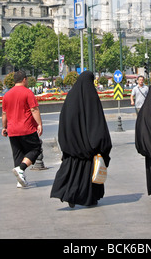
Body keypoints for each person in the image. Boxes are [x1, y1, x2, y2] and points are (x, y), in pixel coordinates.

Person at [50, 71, 112, 208]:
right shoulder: (91, 97)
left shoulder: (71, 96)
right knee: (87, 173)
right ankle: (87, 198)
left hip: (72, 146)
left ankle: (71, 195)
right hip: (88, 147)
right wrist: (100, 144)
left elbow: (64, 121)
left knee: (72, 171)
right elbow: (97, 122)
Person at [2, 70, 43, 188]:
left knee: (18, 154)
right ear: (24, 79)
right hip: (26, 128)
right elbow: (34, 110)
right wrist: (39, 124)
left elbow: (4, 113)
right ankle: (21, 169)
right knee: (36, 149)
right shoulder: (28, 93)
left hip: (12, 130)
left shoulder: (7, 95)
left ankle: (20, 179)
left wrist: (4, 127)